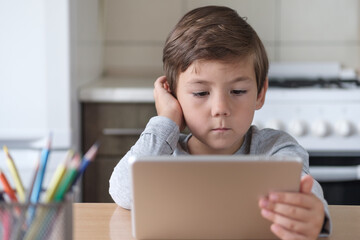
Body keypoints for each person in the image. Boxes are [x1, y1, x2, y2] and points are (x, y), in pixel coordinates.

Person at [109, 5, 331, 239]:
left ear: (260, 94)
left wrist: (316, 217)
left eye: (237, 91)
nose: (221, 109)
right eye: (201, 93)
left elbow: (305, 190)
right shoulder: (162, 155)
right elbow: (123, 192)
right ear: (174, 96)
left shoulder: (276, 148)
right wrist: (166, 119)